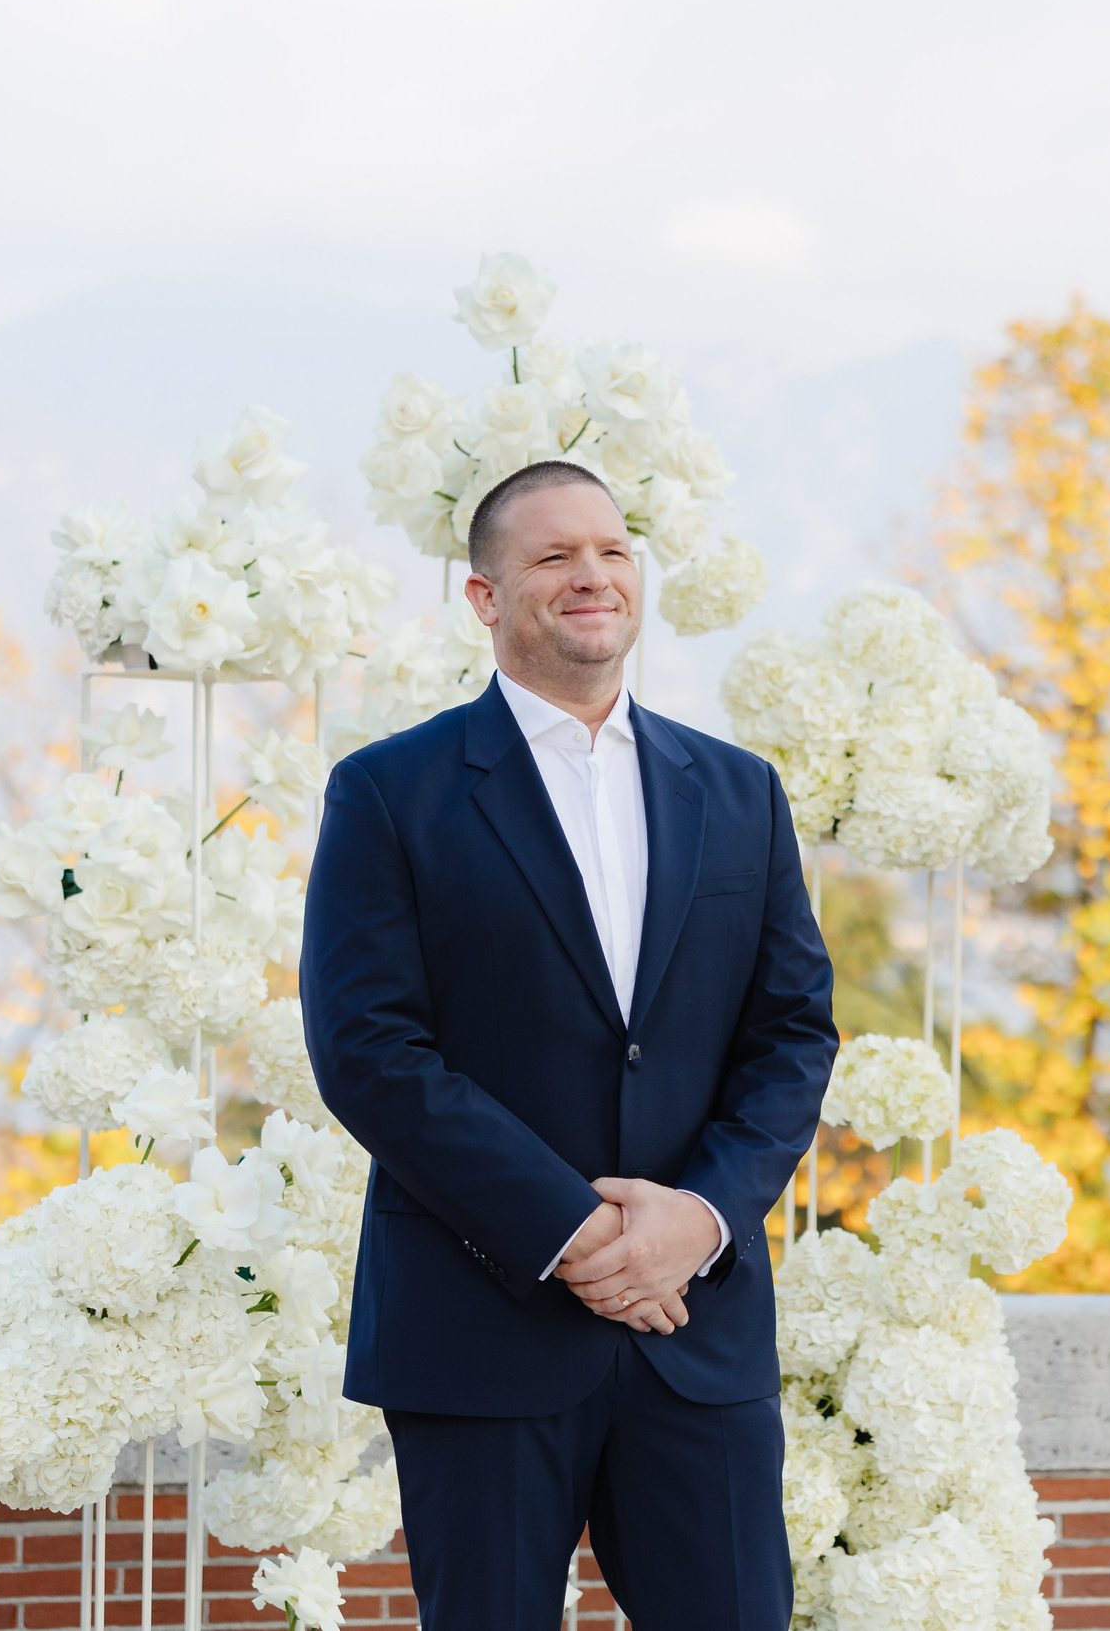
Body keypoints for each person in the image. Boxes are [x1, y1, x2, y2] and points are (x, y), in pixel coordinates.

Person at [303, 459, 838, 1630]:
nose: (591, 575)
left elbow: (792, 1035)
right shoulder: (390, 793)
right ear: (484, 599)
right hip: (480, 1328)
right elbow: (367, 1050)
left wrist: (695, 1220)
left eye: (610, 551)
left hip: (695, 1330)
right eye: (552, 557)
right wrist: (578, 1233)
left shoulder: (741, 793)